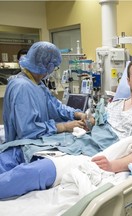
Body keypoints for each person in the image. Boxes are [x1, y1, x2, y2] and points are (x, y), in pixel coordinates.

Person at [0, 57, 132, 199]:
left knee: (36, 171)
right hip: (76, 141)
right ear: (128, 80)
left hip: (93, 152)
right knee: (21, 150)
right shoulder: (115, 104)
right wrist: (88, 121)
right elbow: (96, 123)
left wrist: (112, 165)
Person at [0, 41, 89, 199]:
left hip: (35, 145)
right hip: (23, 147)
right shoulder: (23, 87)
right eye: (53, 66)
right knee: (21, 174)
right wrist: (63, 127)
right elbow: (27, 130)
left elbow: (55, 106)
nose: (53, 70)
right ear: (46, 65)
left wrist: (76, 114)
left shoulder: (37, 83)